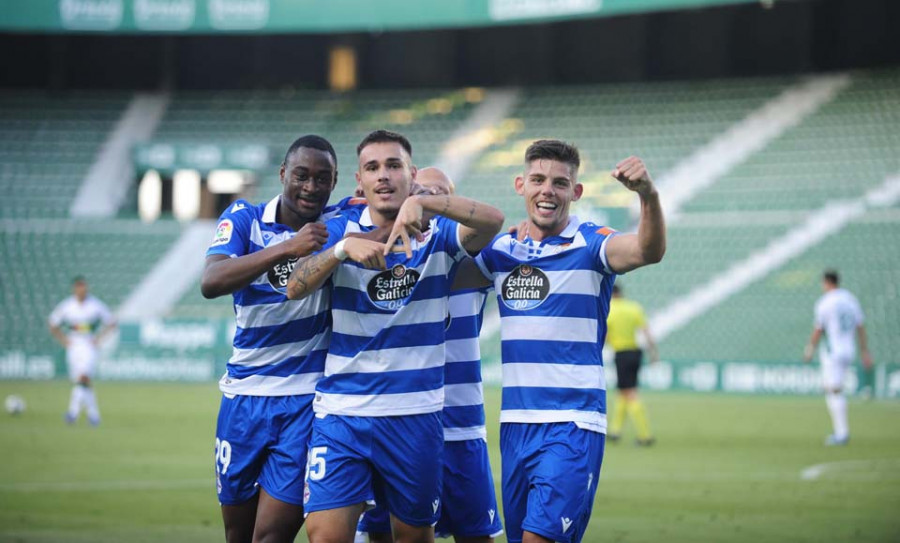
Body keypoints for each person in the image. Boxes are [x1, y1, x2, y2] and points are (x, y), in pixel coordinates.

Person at [285, 130, 504, 543]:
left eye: (393, 165)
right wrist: (341, 251)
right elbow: (294, 287)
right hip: (343, 413)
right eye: (372, 168)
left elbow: (493, 220)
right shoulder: (340, 230)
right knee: (325, 535)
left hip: (415, 416)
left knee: (412, 538)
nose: (383, 176)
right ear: (359, 181)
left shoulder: (438, 236)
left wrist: (424, 202)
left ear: (411, 174)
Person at [458, 140, 665, 543]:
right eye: (537, 179)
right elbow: (438, 279)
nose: (547, 190)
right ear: (521, 184)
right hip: (515, 425)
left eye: (559, 182)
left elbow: (647, 249)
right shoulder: (502, 250)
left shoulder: (591, 244)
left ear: (576, 191)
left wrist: (648, 195)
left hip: (572, 423)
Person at [201, 135, 358, 543]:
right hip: (242, 399)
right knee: (237, 533)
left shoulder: (339, 221)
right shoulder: (244, 217)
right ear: (283, 174)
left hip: (304, 401)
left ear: (335, 180)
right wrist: (289, 247)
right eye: (302, 176)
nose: (311, 187)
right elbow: (212, 281)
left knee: (270, 536)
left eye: (322, 179)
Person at [356, 168, 503, 543]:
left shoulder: (474, 259)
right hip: (397, 420)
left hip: (460, 424)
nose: (431, 198)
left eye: (443, 195)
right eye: (424, 191)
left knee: (476, 534)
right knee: (383, 533)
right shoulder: (384, 261)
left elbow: (492, 225)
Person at [803, 269, 872, 446]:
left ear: (827, 282)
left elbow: (819, 329)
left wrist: (810, 348)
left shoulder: (825, 302)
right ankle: (841, 431)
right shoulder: (850, 299)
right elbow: (860, 327)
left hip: (834, 351)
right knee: (835, 389)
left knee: (833, 390)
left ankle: (841, 433)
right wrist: (865, 351)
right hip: (849, 349)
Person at [48, 276, 117, 426]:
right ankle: (93, 415)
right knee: (80, 382)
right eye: (79, 287)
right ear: (75, 289)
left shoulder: (95, 305)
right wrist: (64, 340)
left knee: (83, 377)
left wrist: (99, 338)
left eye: (84, 287)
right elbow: (53, 323)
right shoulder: (67, 305)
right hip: (73, 345)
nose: (82, 290)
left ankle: (73, 413)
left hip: (88, 345)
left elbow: (111, 322)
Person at [605, 283, 659, 446]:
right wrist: (653, 353)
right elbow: (646, 331)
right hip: (636, 352)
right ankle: (615, 431)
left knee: (629, 392)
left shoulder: (610, 309)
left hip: (621, 353)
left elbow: (605, 334)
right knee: (623, 391)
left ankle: (645, 435)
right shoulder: (633, 307)